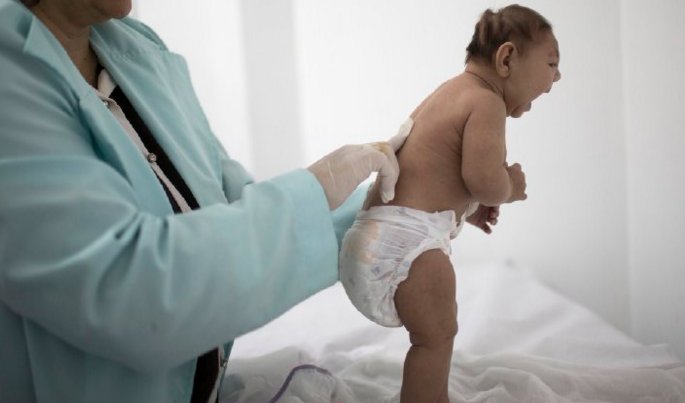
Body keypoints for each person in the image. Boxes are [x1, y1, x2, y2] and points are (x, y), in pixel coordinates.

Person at [0, 0, 408, 402]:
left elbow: (228, 211)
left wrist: (395, 207)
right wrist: (318, 189)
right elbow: (134, 297)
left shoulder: (136, 49)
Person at [339, 4, 561, 402]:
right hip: (403, 244)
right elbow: (485, 181)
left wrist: (468, 211)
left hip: (372, 239)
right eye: (551, 63)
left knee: (433, 332)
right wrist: (510, 185)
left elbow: (432, 175)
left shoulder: (450, 92)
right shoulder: (487, 102)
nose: (557, 76)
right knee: (437, 336)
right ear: (507, 58)